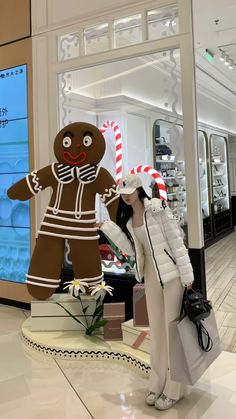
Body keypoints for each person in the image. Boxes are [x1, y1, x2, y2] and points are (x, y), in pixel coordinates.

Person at [100, 173, 194, 411]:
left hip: (171, 275)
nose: (127, 196)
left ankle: (174, 389)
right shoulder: (130, 220)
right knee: (157, 331)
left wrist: (187, 275)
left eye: (130, 191)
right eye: (123, 194)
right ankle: (157, 382)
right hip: (151, 276)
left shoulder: (157, 209)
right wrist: (108, 228)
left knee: (172, 331)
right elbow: (133, 253)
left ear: (139, 189)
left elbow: (176, 241)